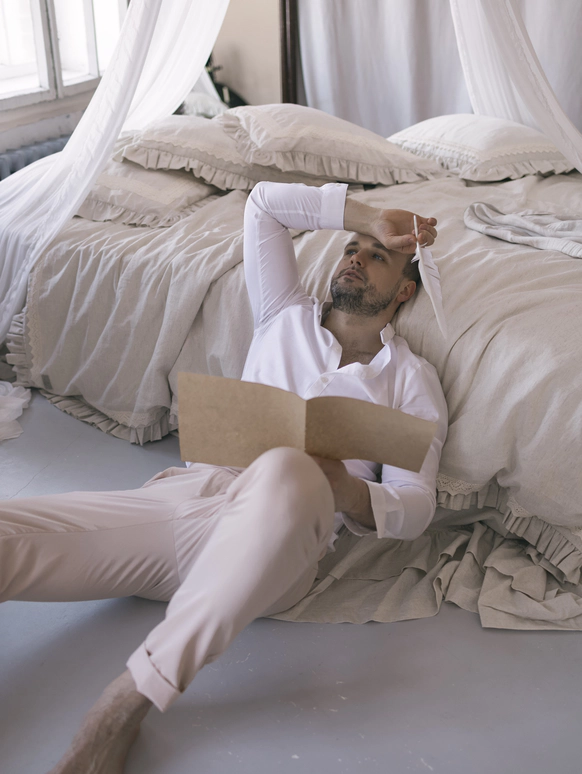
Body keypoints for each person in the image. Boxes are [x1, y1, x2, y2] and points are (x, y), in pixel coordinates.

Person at [1, 182, 447, 774]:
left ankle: (127, 700)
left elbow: (417, 505)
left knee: (290, 468)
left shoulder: (410, 378)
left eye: (377, 256)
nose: (356, 259)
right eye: (352, 248)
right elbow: (264, 205)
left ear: (405, 291)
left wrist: (346, 490)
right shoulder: (283, 313)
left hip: (283, 545)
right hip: (188, 502)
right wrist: (370, 217)